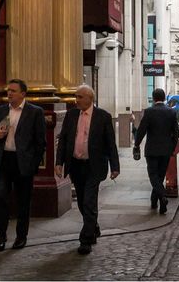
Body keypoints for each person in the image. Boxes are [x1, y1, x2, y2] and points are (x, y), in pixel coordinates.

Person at [55, 84, 120, 255]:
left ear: (90, 98)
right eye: (76, 96)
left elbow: (110, 143)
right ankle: (93, 226)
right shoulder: (71, 115)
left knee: (89, 201)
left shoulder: (103, 117)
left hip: (94, 166)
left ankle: (86, 239)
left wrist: (115, 166)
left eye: (80, 97)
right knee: (84, 201)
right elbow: (63, 140)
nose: (76, 100)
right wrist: (59, 162)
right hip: (76, 164)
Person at [0, 78, 46, 251]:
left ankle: (21, 236)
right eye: (8, 91)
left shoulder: (34, 112)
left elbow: (40, 142)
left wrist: (33, 164)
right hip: (4, 160)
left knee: (23, 202)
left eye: (13, 91)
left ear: (23, 93)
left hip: (23, 163)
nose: (9, 93)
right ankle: (1, 235)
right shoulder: (1, 111)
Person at [133, 88, 179, 214]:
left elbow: (141, 130)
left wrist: (136, 144)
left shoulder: (149, 112)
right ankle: (155, 202)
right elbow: (176, 133)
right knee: (160, 176)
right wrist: (172, 147)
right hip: (166, 151)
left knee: (153, 176)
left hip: (152, 150)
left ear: (153, 98)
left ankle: (162, 196)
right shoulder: (171, 112)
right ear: (164, 98)